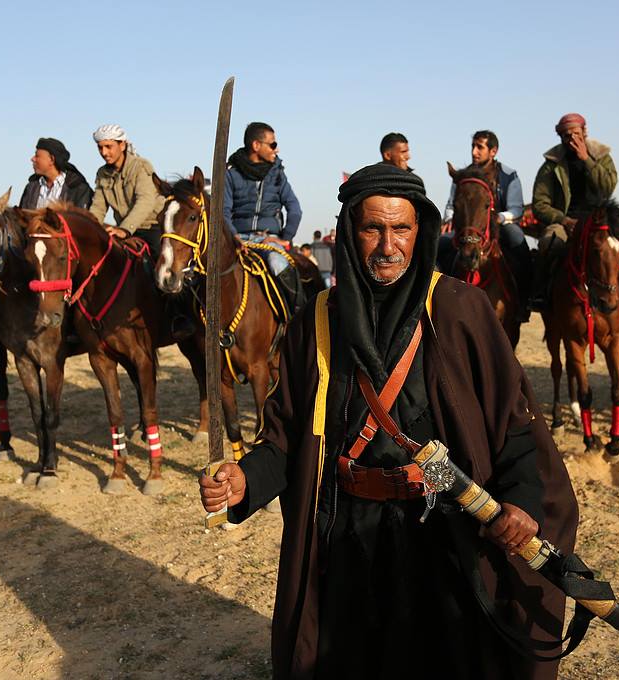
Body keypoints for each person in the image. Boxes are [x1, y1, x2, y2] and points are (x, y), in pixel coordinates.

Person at [199, 163, 580, 680]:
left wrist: (523, 498)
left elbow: (514, 425)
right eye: (372, 228)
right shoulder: (315, 322)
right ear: (350, 232)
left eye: (401, 228)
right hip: (346, 534)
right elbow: (286, 437)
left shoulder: (461, 309)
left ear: (420, 231)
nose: (388, 245)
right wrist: (245, 479)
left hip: (443, 534)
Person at [88, 124, 193, 339]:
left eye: (108, 146)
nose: (104, 152)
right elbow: (98, 206)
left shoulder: (140, 167)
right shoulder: (102, 174)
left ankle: (179, 316)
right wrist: (90, 229)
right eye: (100, 147)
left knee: (164, 263)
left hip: (151, 225)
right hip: (125, 230)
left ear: (122, 145)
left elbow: (145, 201)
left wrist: (124, 229)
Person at [530, 114, 618, 312]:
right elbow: (540, 204)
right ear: (560, 137)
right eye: (566, 136)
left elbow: (608, 187)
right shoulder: (551, 164)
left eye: (576, 134)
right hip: (565, 222)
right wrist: (563, 220)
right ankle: (540, 294)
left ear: (584, 132)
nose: (572, 139)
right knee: (549, 243)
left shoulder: (602, 156)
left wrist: (586, 159)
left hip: (599, 221)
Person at [440, 130, 531, 314]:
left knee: (517, 238)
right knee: (440, 244)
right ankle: (436, 302)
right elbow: (451, 204)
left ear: (493, 151)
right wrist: (449, 219)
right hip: (467, 228)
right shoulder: (462, 175)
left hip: (501, 225)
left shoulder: (508, 174)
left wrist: (499, 218)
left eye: (479, 147)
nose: (474, 152)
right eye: (473, 146)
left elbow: (516, 209)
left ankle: (524, 299)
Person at [224, 122, 304, 313]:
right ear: (256, 145)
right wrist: (233, 237)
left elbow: (295, 209)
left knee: (277, 263)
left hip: (267, 240)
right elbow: (223, 211)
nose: (277, 149)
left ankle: (296, 315)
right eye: (273, 144)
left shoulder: (277, 174)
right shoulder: (231, 174)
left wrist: (284, 238)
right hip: (237, 239)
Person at [19, 137, 93, 210]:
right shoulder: (31, 188)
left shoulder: (78, 189)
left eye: (37, 156)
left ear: (52, 159)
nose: (32, 159)